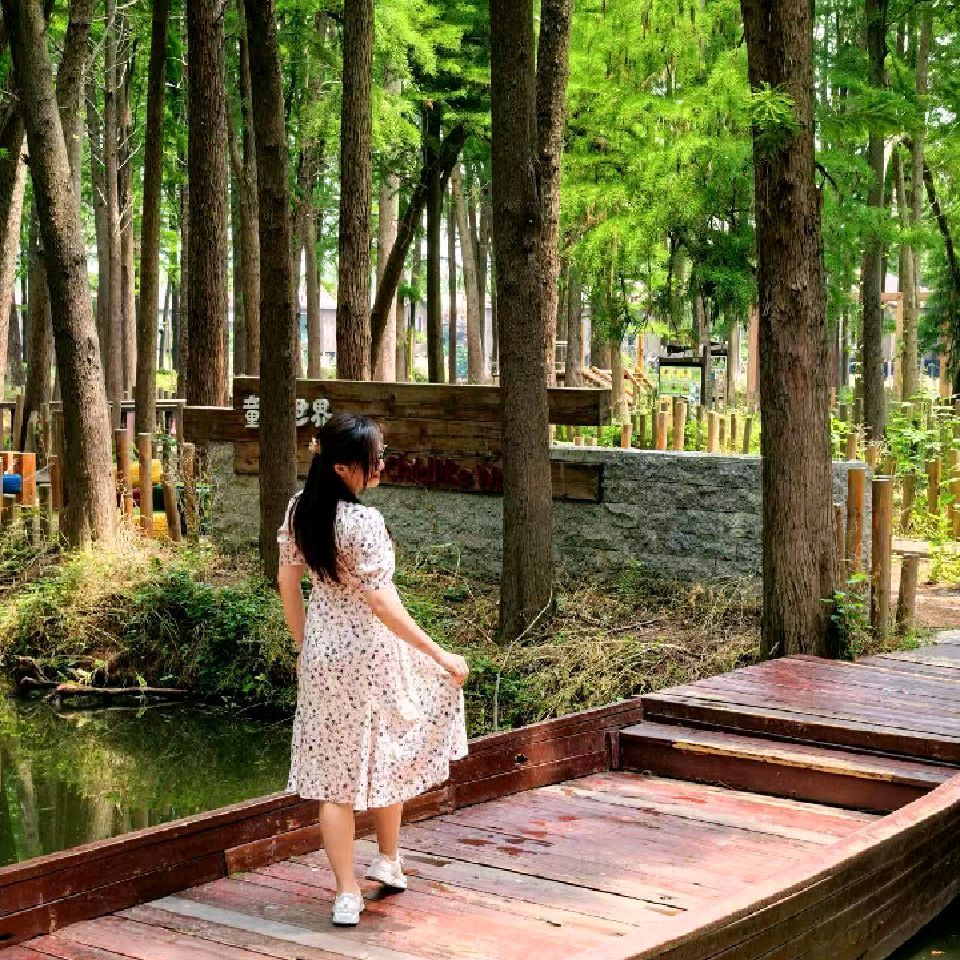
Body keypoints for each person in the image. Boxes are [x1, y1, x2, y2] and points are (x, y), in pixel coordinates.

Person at [277, 413, 469, 927]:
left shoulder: (299, 510)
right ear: (342, 468)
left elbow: (287, 582)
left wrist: (304, 645)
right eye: (372, 460)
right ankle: (387, 858)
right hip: (372, 653)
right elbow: (383, 604)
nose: (381, 466)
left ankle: (349, 891)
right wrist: (440, 654)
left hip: (324, 653)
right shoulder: (363, 523)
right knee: (386, 749)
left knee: (332, 778)